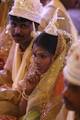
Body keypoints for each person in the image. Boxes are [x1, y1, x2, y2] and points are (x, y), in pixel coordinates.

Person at [0, 0, 43, 85]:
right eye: (14, 24)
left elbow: (26, 90)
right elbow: (7, 74)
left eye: (23, 26)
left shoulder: (40, 51)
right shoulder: (17, 44)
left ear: (36, 27)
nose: (17, 31)